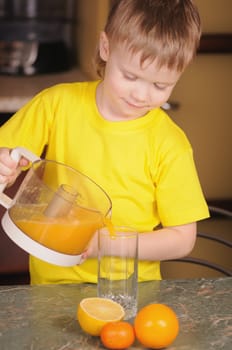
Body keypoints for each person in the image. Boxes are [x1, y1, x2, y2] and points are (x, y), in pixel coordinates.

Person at [0, 0, 209, 284]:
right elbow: (8, 154)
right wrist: (5, 163)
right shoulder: (57, 103)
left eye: (160, 85)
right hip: (51, 285)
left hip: (130, 292)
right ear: (106, 48)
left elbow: (182, 240)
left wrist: (106, 244)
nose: (141, 95)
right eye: (130, 76)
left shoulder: (170, 144)